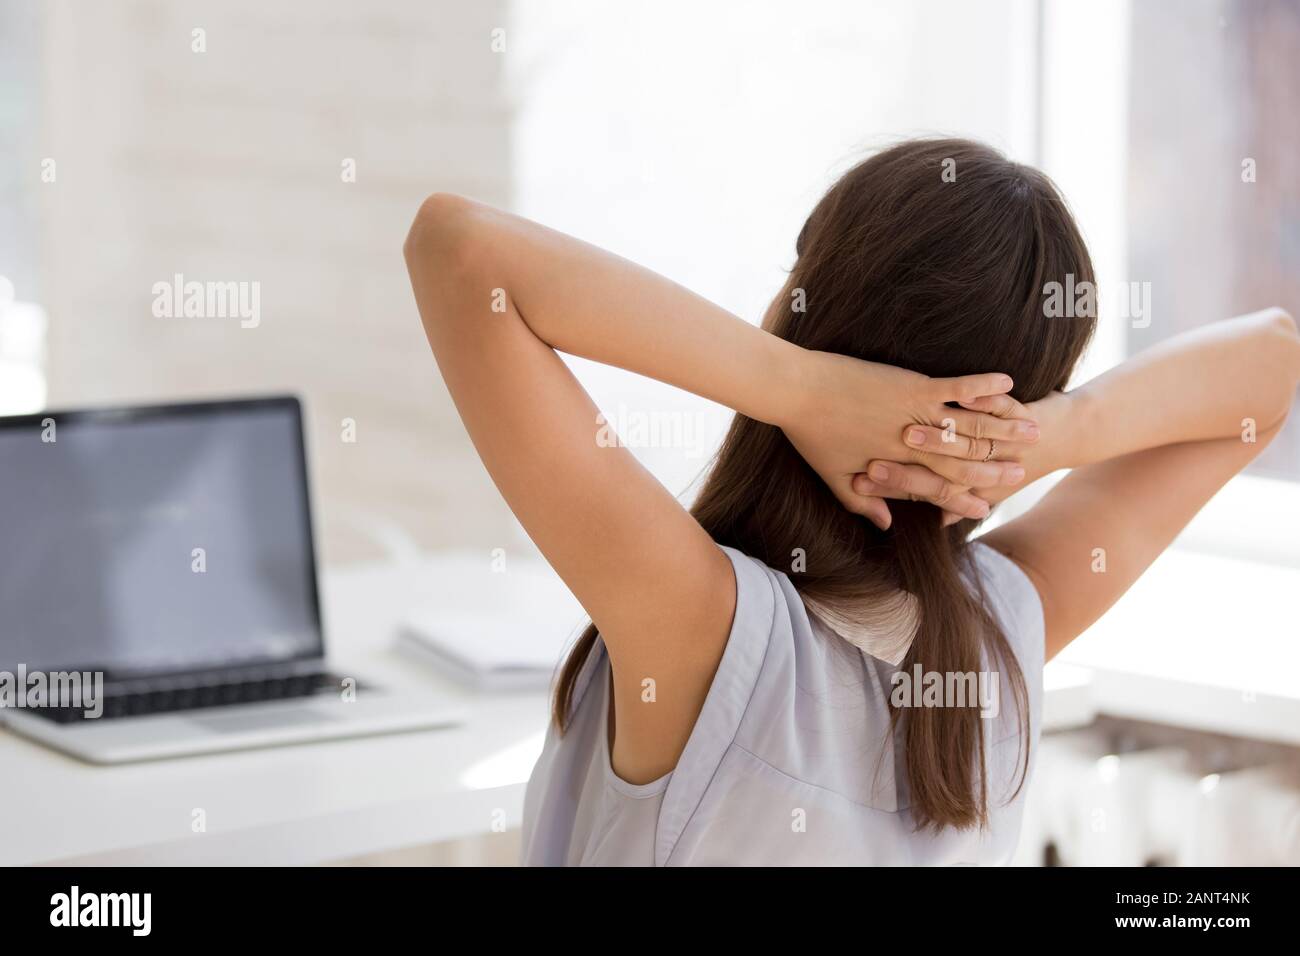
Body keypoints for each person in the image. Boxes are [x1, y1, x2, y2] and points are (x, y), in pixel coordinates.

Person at [403, 138, 1300, 865]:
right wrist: (1044, 438)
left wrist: (799, 389)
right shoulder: (1003, 633)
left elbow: (457, 250)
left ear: (804, 303)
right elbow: (1270, 364)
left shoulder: (702, 626)